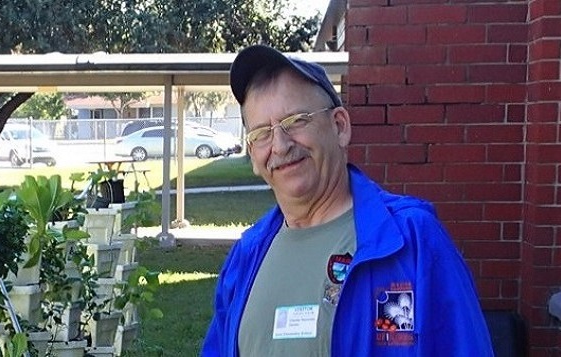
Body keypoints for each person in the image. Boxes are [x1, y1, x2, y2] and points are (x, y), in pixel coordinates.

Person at [202, 45, 492, 356]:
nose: (281, 145)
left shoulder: (413, 241)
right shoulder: (246, 256)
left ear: (340, 127)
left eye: (296, 120)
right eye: (262, 133)